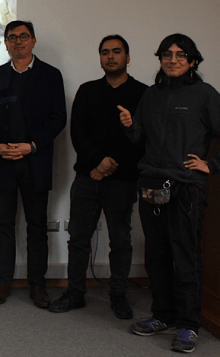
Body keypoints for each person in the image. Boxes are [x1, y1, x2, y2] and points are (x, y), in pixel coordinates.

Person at [120, 34, 220, 353]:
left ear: (192, 61)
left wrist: (213, 165)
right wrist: (129, 124)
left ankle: (188, 325)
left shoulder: (203, 94)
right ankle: (163, 316)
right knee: (157, 256)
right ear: (159, 58)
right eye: (166, 54)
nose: (172, 59)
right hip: (150, 185)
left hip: (185, 188)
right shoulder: (150, 95)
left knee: (185, 257)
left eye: (180, 54)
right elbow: (139, 140)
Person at [48, 35, 147, 319]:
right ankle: (75, 293)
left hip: (123, 178)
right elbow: (78, 132)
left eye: (117, 52)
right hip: (87, 178)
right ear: (100, 58)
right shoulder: (87, 90)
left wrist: (109, 164)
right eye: (105, 52)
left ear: (128, 57)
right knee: (78, 238)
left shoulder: (143, 93)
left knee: (120, 240)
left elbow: (142, 138)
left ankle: (118, 295)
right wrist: (97, 163)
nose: (110, 57)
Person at [0, 20, 66, 308]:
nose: (18, 41)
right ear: (5, 43)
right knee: (3, 224)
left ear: (34, 41)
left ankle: (37, 286)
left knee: (37, 225)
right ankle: (2, 283)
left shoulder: (51, 75)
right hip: (2, 160)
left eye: (24, 36)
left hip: (35, 160)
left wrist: (33, 145)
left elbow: (58, 118)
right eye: (12, 37)